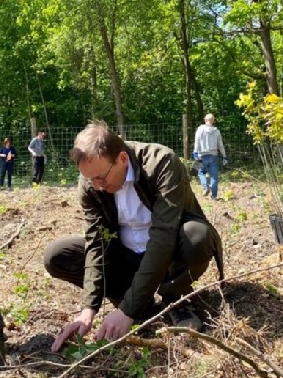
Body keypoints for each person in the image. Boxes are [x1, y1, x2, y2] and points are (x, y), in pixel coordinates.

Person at [44, 121, 224, 352]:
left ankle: (174, 300)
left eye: (101, 178)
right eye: (90, 180)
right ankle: (142, 306)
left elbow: (163, 238)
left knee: (196, 236)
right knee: (58, 255)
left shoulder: (162, 163)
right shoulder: (91, 181)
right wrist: (89, 308)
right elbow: (97, 243)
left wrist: (127, 310)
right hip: (127, 256)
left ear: (122, 159)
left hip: (169, 254)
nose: (97, 187)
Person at [193, 114, 227, 199]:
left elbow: (197, 141)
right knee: (214, 176)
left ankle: (206, 187)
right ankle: (214, 196)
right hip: (213, 156)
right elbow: (220, 145)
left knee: (200, 172)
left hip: (201, 156)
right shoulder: (217, 131)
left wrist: (195, 152)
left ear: (205, 120)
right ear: (213, 121)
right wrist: (224, 156)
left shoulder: (200, 129)